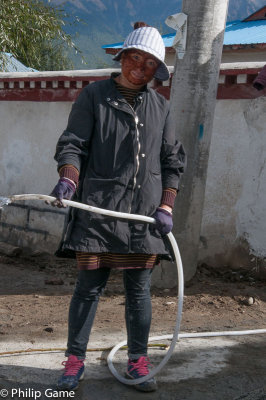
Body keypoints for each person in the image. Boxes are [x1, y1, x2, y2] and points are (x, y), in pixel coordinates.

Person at [49, 22, 186, 393]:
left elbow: (173, 161)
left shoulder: (161, 106)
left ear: (157, 70)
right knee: (88, 288)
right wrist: (69, 178)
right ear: (122, 57)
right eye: (134, 58)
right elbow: (73, 143)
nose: (139, 67)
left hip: (142, 217)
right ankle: (74, 361)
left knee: (139, 290)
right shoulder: (93, 96)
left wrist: (167, 206)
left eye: (149, 63)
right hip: (98, 211)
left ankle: (137, 361)